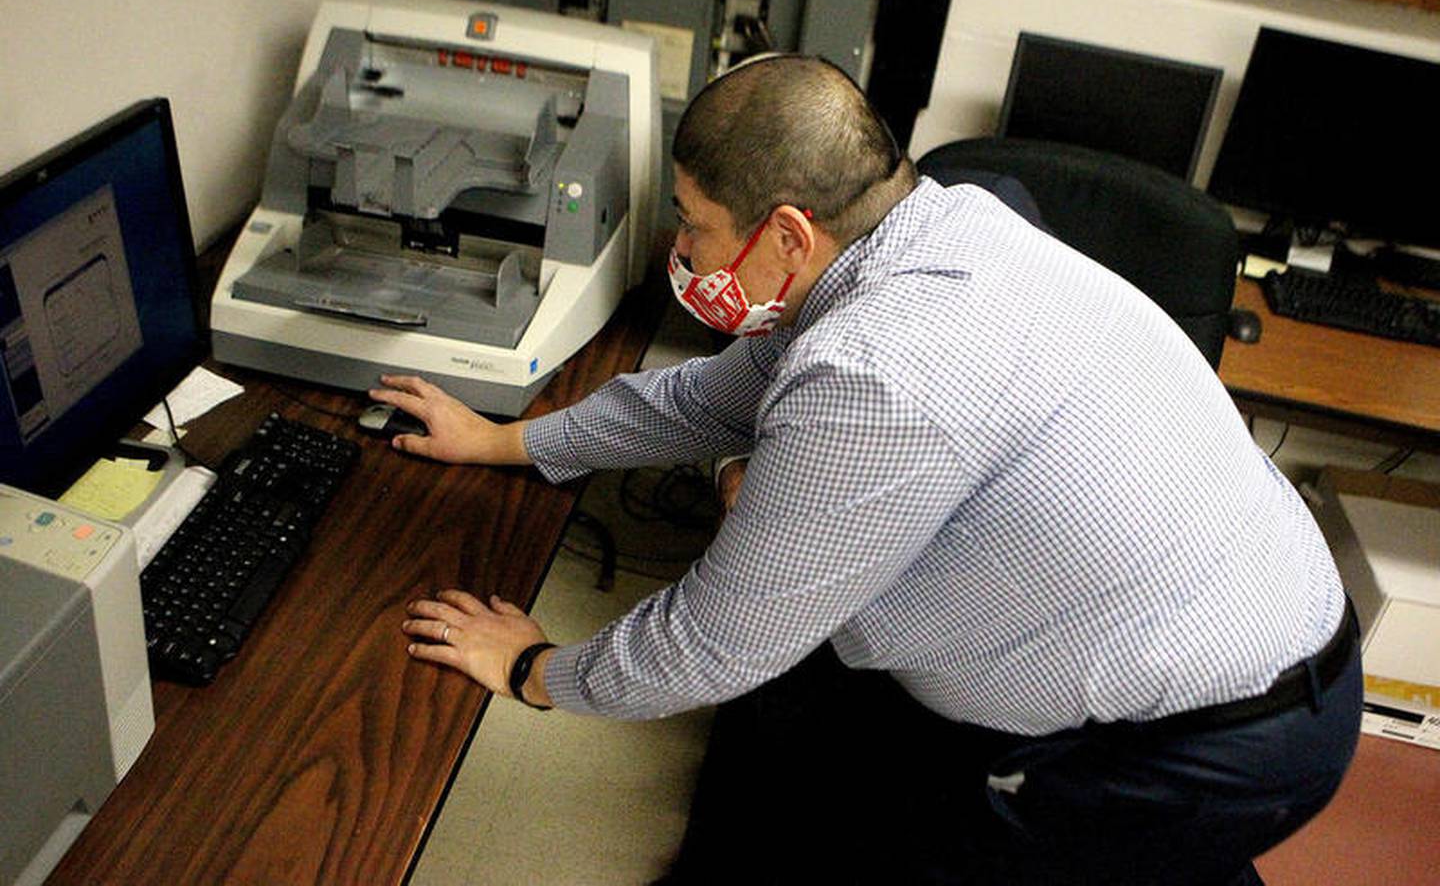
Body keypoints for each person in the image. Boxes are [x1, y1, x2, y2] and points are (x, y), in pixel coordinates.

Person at [372, 55, 1361, 885]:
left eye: (695, 222)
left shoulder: (880, 371)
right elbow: (714, 395)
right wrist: (508, 442)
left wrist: (535, 670)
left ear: (789, 235)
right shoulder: (938, 228)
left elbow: (712, 644)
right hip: (1234, 632)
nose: (682, 249)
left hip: (1214, 738)